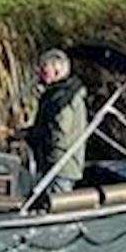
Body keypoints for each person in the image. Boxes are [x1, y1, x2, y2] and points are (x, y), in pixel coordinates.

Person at [25, 48, 87, 193]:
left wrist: (33, 136)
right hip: (50, 164)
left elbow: (58, 134)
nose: (40, 72)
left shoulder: (64, 99)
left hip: (60, 167)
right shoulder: (55, 94)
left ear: (57, 69)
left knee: (55, 200)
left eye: (44, 68)